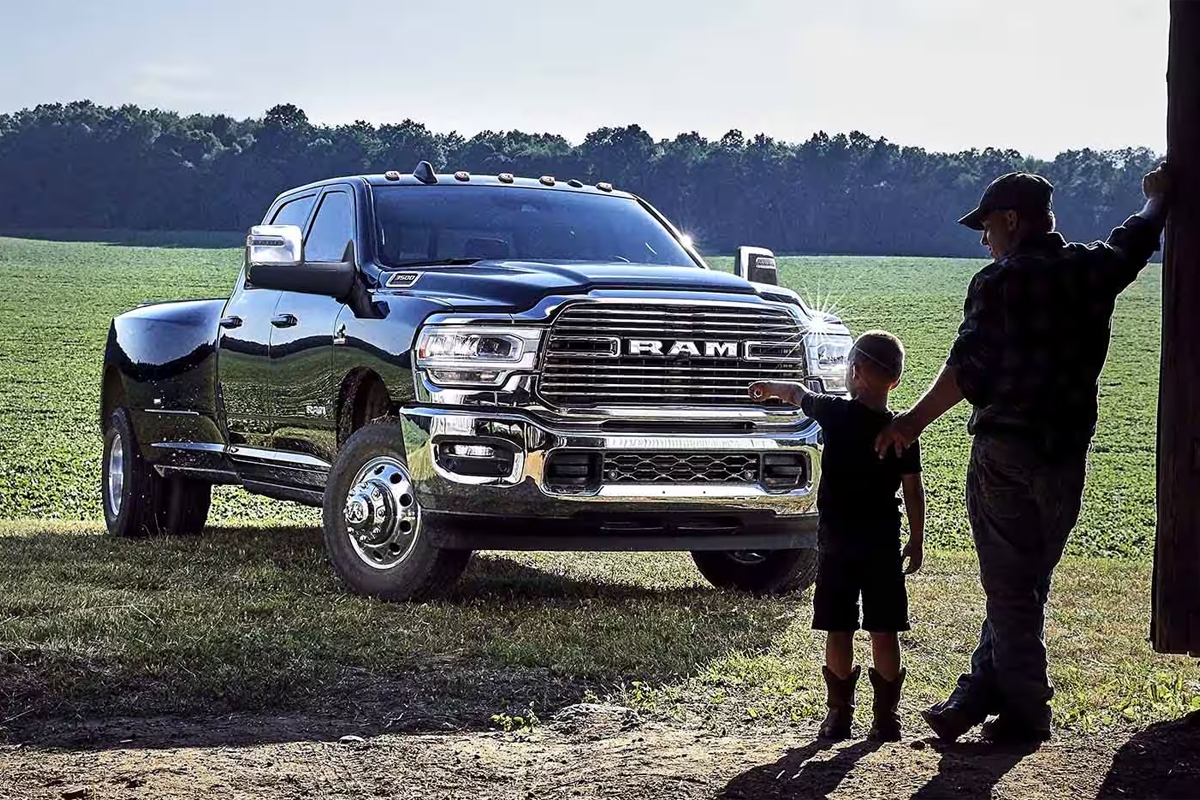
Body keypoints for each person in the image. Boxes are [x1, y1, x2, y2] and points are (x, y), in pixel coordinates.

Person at [875, 165, 1172, 744]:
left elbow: (966, 370)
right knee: (1025, 583)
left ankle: (1027, 713)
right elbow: (1134, 241)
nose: (984, 239)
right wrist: (1158, 202)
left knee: (1011, 591)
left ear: (1012, 221)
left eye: (987, 227)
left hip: (1005, 453)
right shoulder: (1090, 272)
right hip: (1066, 457)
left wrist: (911, 422)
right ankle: (974, 695)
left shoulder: (998, 283)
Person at [751, 330, 925, 742]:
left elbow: (796, 393)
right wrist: (916, 540)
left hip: (838, 541)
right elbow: (914, 490)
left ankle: (837, 717)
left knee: (838, 625)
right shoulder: (901, 432)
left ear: (856, 371)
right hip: (882, 541)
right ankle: (887, 720)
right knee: (884, 628)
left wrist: (768, 388)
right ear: (895, 381)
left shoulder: (835, 413)